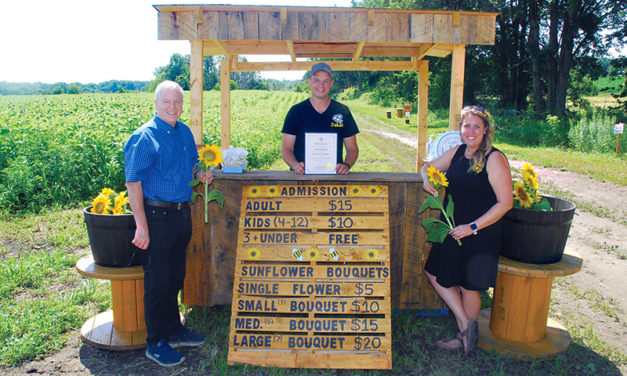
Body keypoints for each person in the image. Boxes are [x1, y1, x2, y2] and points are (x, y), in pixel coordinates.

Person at [124, 80, 212, 367]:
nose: (173, 107)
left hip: (180, 214)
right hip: (155, 217)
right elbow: (133, 183)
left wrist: (201, 175)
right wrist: (141, 226)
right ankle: (156, 342)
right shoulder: (144, 138)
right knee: (157, 281)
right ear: (156, 103)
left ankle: (174, 330)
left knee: (175, 276)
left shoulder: (184, 132)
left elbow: (193, 166)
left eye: (178, 102)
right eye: (167, 102)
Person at [420, 105, 512, 355]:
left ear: (485, 130)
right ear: (460, 129)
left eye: (476, 126)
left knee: (469, 286)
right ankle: (465, 323)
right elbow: (427, 167)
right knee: (434, 272)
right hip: (452, 225)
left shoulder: (495, 158)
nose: (470, 131)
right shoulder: (458, 152)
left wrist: (472, 227)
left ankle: (465, 339)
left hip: (479, 230)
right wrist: (426, 178)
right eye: (466, 126)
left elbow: (506, 203)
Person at [281, 62, 359, 175]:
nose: (321, 86)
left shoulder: (343, 111)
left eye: (326, 81)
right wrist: (295, 165)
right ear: (309, 81)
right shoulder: (296, 111)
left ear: (331, 83)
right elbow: (286, 149)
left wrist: (346, 165)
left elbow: (352, 148)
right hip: (301, 179)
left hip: (335, 179)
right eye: (316, 80)